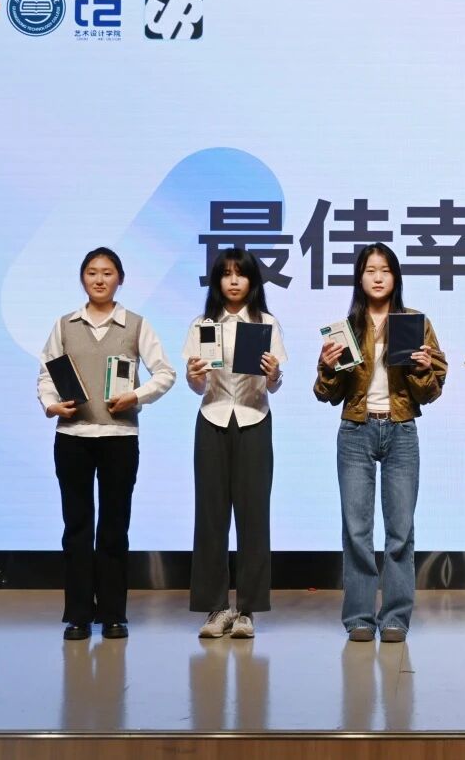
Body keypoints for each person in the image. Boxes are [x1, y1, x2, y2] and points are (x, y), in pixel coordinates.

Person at [36, 247, 175, 641]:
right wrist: (51, 404)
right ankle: (78, 615)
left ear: (120, 279)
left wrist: (136, 396)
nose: (99, 279)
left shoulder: (136, 325)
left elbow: (165, 373)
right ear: (83, 278)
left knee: (114, 527)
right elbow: (46, 374)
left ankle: (114, 614)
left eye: (108, 272)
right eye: (92, 272)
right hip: (72, 437)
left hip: (119, 438)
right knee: (76, 527)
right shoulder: (64, 324)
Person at [313, 243, 446, 643]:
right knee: (357, 529)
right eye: (370, 270)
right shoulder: (345, 328)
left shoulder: (415, 323)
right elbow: (325, 394)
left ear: (395, 277)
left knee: (400, 530)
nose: (377, 277)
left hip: (401, 430)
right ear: (359, 278)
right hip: (355, 431)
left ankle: (395, 618)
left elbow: (432, 391)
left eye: (385, 270)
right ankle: (358, 617)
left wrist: (423, 369)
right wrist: (327, 367)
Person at [182, 249, 285, 639]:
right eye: (226, 274)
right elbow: (197, 386)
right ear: (217, 281)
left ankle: (247, 611)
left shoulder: (267, 323)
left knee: (254, 516)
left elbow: (274, 384)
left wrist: (274, 374)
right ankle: (215, 608)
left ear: (252, 281)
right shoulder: (202, 324)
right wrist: (195, 376)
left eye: (241, 274)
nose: (234, 281)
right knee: (210, 517)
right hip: (212, 419)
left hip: (254, 419)